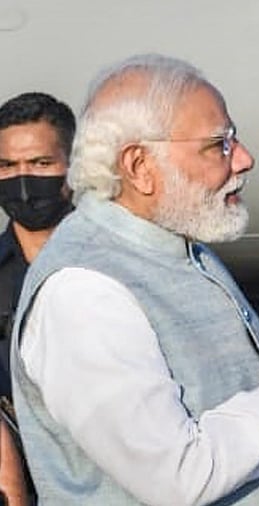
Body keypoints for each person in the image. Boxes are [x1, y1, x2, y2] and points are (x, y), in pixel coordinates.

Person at [9, 54, 259, 505]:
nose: (244, 159)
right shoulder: (84, 292)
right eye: (218, 144)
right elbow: (178, 477)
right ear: (140, 166)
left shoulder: (186, 253)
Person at [0, 91, 76, 506]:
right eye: (7, 166)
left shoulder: (120, 262)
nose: (23, 179)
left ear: (73, 167)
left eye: (41, 163)